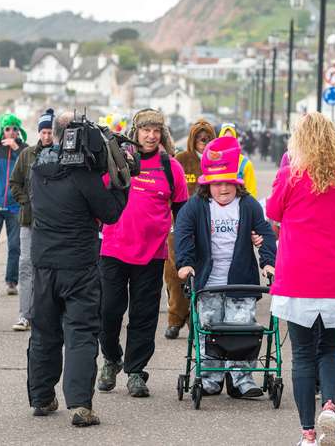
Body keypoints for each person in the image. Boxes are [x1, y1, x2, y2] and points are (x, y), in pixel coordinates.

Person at [266, 112, 335, 446]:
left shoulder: (288, 176)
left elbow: (273, 213)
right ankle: (330, 407)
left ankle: (308, 433)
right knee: (330, 349)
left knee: (303, 354)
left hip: (298, 276)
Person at [27, 113, 129, 426]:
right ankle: (80, 405)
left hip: (44, 262)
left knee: (44, 332)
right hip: (79, 265)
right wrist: (122, 179)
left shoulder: (38, 168)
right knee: (81, 333)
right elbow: (110, 213)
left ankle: (42, 398)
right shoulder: (82, 176)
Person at [175, 135, 276, 397]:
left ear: (237, 183)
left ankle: (242, 379)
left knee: (242, 329)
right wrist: (185, 265)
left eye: (228, 183)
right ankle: (211, 377)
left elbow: (266, 234)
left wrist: (268, 262)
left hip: (241, 280)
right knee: (210, 329)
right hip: (208, 282)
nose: (223, 189)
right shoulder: (195, 207)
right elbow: (183, 237)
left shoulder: (248, 205)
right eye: (217, 184)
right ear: (207, 185)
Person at [98, 108, 189, 398]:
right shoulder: (117, 160)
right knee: (108, 311)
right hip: (113, 248)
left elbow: (182, 213)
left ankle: (136, 371)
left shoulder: (170, 167)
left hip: (152, 254)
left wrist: (186, 250)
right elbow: (96, 198)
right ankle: (111, 359)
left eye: (156, 130)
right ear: (135, 132)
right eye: (146, 130)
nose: (151, 135)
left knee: (144, 315)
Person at [163, 119, 215, 340]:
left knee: (204, 275)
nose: (203, 142)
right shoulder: (181, 160)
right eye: (200, 138)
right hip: (179, 225)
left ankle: (198, 320)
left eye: (207, 138)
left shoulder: (217, 162)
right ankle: (175, 319)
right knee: (175, 275)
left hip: (207, 227)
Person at [9, 109, 54, 331]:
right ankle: (24, 314)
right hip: (29, 220)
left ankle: (46, 313)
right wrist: (25, 201)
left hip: (54, 222)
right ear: (39, 132)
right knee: (25, 265)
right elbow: (14, 182)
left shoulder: (62, 155)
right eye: (44, 132)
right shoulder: (27, 155)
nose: (47, 136)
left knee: (48, 267)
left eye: (51, 132)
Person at [0, 112, 28, 296]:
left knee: (15, 246)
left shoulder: (24, 149)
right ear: (2, 130)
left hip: (15, 206)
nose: (10, 132)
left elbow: (28, 168)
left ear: (19, 131)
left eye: (14, 129)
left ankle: (11, 281)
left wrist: (16, 149)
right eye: (7, 129)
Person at [219, 123, 258, 198]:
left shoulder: (246, 164)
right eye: (224, 138)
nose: (227, 142)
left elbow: (251, 193)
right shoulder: (212, 162)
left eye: (231, 139)